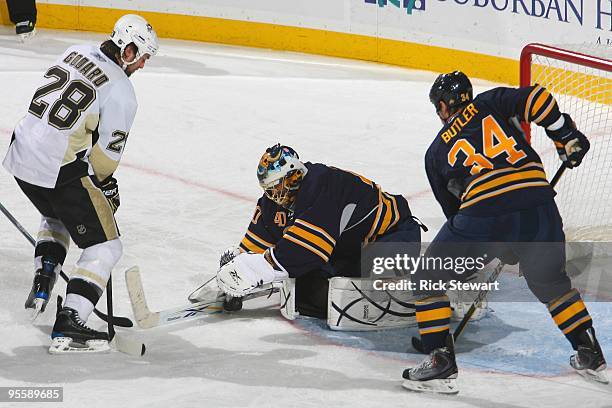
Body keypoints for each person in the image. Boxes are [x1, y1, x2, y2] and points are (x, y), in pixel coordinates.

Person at [402, 71, 607, 394]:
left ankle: (439, 360)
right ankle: (589, 352)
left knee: (428, 279)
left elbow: (455, 216)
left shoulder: (436, 152)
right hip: (539, 203)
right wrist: (564, 134)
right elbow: (538, 98)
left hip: (485, 214)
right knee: (552, 283)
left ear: (442, 106)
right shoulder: (490, 102)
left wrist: (496, 243)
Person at [2, 14, 158, 353]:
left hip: (20, 152)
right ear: (128, 50)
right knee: (106, 246)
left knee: (58, 214)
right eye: (143, 56)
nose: (143, 65)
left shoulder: (75, 51)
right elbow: (104, 160)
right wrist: (102, 184)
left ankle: (46, 273)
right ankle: (71, 322)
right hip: (55, 167)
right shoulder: (123, 92)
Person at [215, 144, 424, 318]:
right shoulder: (274, 201)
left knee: (338, 298)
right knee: (307, 292)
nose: (273, 196)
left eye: (277, 188)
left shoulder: (325, 186)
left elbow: (307, 251)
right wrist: (240, 261)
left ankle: (422, 283)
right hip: (347, 248)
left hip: (393, 236)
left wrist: (255, 269)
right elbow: (260, 240)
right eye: (268, 190)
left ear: (293, 176)